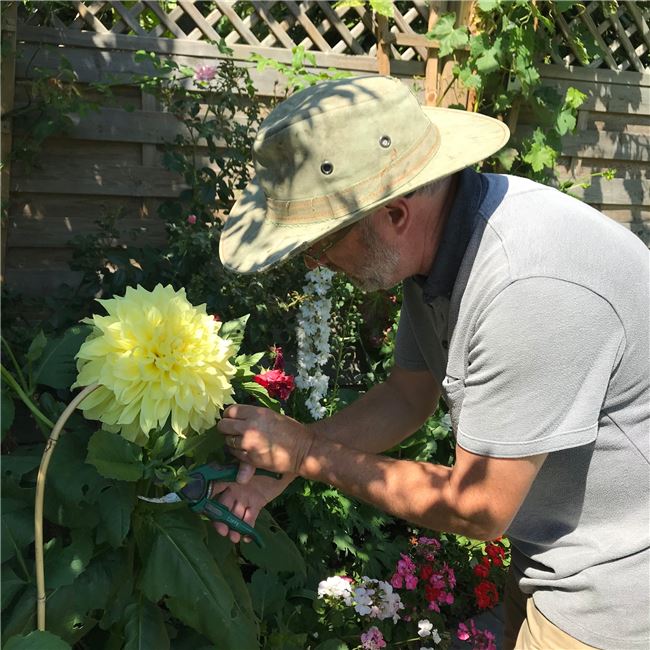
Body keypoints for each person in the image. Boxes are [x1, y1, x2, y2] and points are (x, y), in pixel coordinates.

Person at [214, 74, 649, 649]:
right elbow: (406, 396)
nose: (315, 265)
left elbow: (476, 507)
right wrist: (286, 463)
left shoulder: (527, 286)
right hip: (559, 557)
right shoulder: (438, 249)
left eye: (319, 243)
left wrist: (308, 451)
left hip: (618, 587)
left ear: (394, 213)